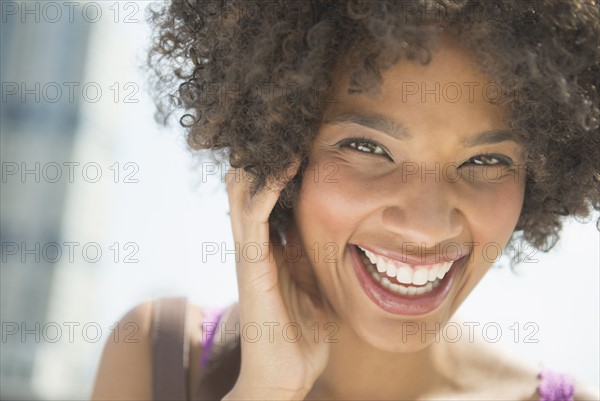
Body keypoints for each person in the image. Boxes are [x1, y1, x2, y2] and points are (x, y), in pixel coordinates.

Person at [92, 1, 599, 400]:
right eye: (367, 148)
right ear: (275, 156)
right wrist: (263, 393)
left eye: (486, 160)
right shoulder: (161, 360)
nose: (426, 226)